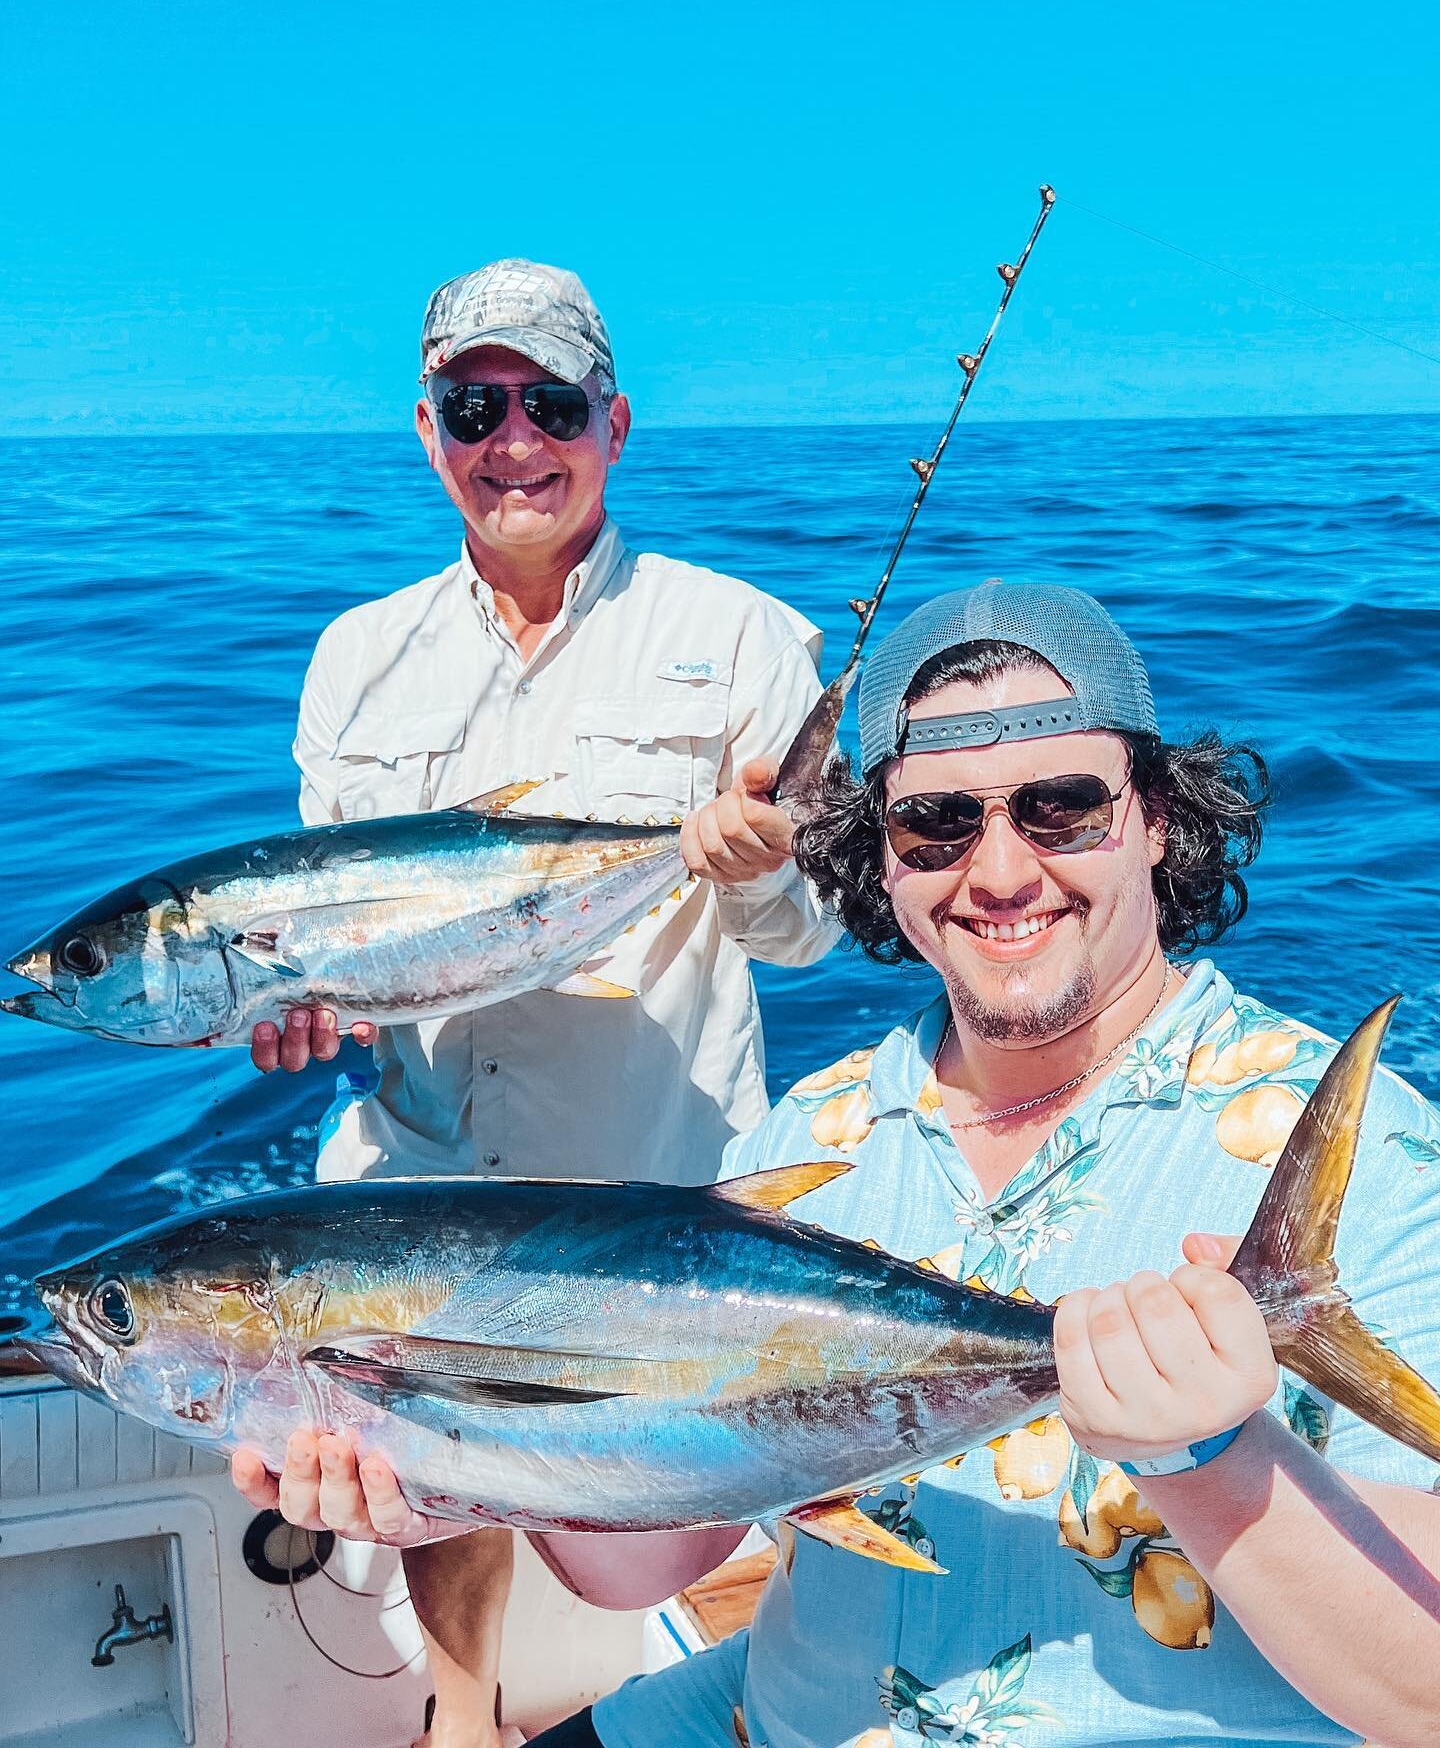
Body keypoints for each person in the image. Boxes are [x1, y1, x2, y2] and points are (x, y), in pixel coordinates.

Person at [236, 581, 1440, 1747]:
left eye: (1062, 805)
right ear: (884, 857)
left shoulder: (1355, 1147)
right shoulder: (814, 1144)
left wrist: (1216, 1460)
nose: (1004, 870)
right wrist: (462, 1474)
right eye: (937, 822)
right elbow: (648, 1566)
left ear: (1158, 820)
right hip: (778, 1713)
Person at [247, 258, 839, 1748]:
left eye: (551, 403)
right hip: (422, 1165)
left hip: (655, 1171)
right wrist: (306, 1012)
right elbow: (339, 953)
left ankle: (783, 1646)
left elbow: (811, 931)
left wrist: (759, 867)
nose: (515, 441)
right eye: (474, 404)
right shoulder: (353, 661)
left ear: (614, 424)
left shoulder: (745, 638)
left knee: (671, 1503)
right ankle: (461, 1710)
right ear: (428, 430)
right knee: (424, 1459)